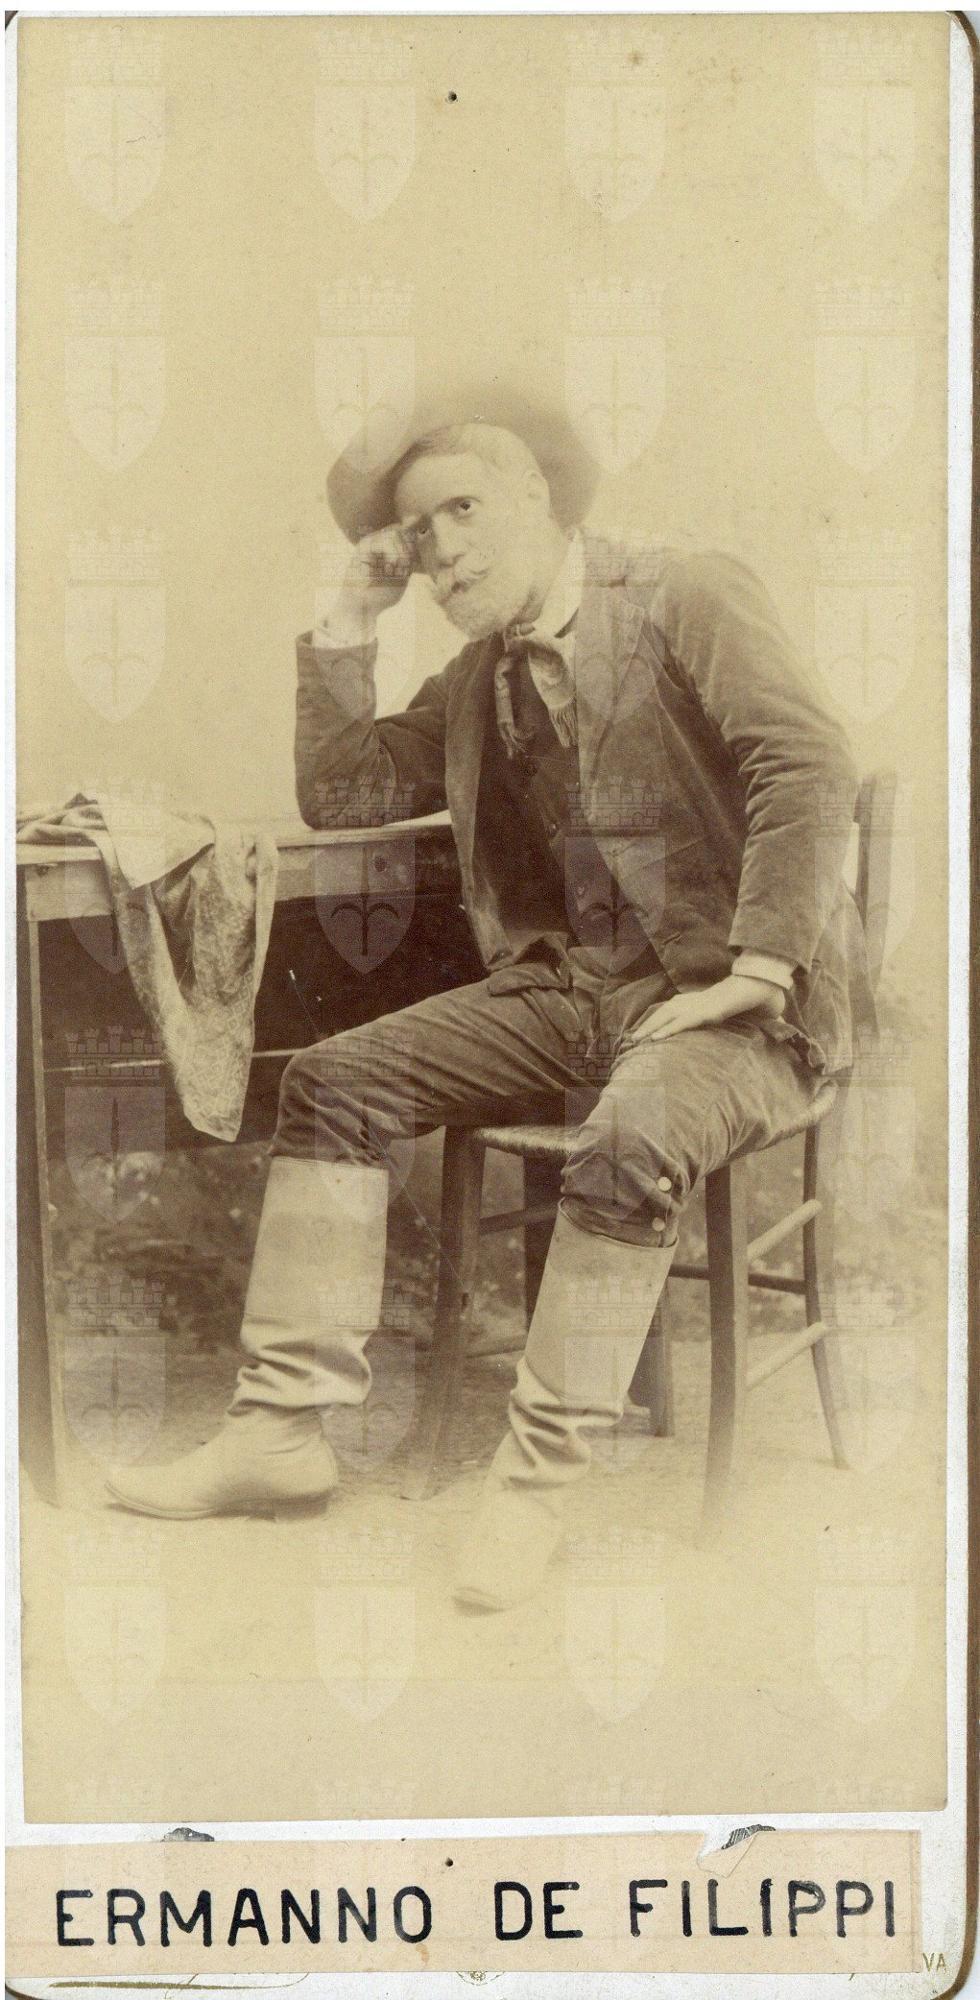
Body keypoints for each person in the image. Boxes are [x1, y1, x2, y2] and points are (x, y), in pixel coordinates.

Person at [108, 386, 871, 1612]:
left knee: (630, 1135)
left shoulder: (682, 592)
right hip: (576, 991)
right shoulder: (479, 679)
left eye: (463, 509)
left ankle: (527, 1491)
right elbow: (342, 792)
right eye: (417, 535)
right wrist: (345, 622)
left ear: (535, 495)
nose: (442, 550)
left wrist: (760, 965)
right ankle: (279, 1429)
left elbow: (807, 760)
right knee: (332, 1081)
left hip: (736, 1002)